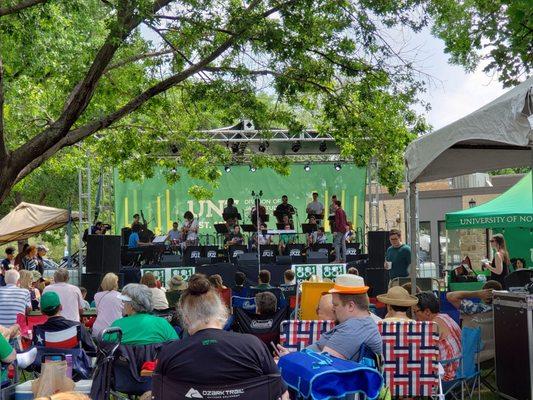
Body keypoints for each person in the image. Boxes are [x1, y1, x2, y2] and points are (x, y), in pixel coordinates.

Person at [154, 276, 288, 398]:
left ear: (187, 319)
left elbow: (158, 394)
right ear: (222, 313)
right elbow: (281, 393)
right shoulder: (254, 345)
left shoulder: (170, 353)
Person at [277, 274, 382, 361]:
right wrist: (291, 357)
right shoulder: (358, 324)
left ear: (351, 306)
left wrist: (289, 360)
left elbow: (323, 364)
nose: (333, 310)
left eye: (335, 305)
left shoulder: (354, 328)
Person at [414, 292, 461, 382]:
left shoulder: (433, 325)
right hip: (460, 369)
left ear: (427, 311)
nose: (415, 316)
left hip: (447, 375)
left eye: (415, 312)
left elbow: (422, 352)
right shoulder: (445, 317)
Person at [109, 284, 178, 345]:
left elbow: (106, 347)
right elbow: (175, 344)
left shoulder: (117, 326)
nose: (123, 304)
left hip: (125, 359)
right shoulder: (162, 323)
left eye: (124, 301)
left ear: (131, 306)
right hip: (157, 359)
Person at [92, 273, 123, 338]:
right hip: (116, 330)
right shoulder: (121, 296)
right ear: (115, 284)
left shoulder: (97, 296)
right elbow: (124, 312)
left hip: (99, 330)